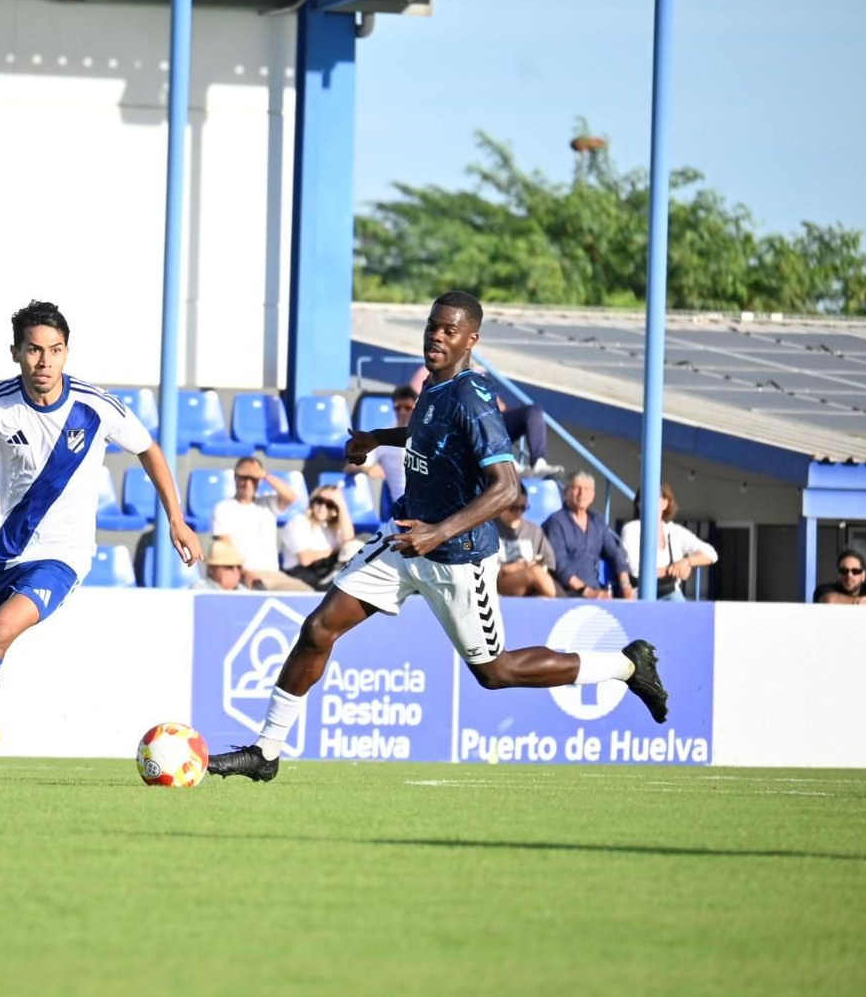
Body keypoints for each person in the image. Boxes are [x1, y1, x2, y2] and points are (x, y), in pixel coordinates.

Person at [207, 291, 667, 782]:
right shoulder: (433, 384)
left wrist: (439, 532)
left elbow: (507, 487)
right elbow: (428, 435)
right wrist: (376, 439)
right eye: (433, 326)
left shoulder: (473, 397)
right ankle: (266, 751)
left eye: (450, 330)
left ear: (472, 339)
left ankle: (625, 666)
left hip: (458, 556)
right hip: (406, 537)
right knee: (319, 629)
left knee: (496, 672)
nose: (437, 337)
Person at [0, 300, 201, 782]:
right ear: (16, 352)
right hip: (3, 553)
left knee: (1, 630)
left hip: (63, 556)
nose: (45, 361)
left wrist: (176, 521)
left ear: (66, 352)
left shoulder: (95, 405)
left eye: (55, 350)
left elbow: (150, 450)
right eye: (34, 350)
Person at [411, 363, 560, 477]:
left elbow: (494, 402)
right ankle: (507, 463)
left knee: (532, 411)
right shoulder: (429, 373)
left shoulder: (476, 372)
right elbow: (417, 408)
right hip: (454, 430)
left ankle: (538, 462)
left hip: (491, 422)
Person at [210, 456, 305, 592]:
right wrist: (242, 572)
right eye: (244, 477)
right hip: (243, 574)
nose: (248, 483)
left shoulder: (267, 503)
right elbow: (226, 547)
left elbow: (291, 496)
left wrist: (265, 475)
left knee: (306, 593)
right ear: (236, 478)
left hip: (273, 574)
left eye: (253, 478)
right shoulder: (223, 508)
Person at [619, 482, 718, 601]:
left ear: (665, 503)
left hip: (671, 593)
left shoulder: (674, 531)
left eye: (655, 497)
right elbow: (636, 571)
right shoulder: (631, 529)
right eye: (644, 498)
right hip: (639, 592)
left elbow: (711, 554)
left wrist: (687, 561)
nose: (650, 501)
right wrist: (675, 569)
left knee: (683, 609)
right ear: (638, 505)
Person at [543, 472, 633, 599]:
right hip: (566, 594)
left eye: (587, 489)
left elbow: (614, 553)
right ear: (566, 492)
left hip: (595, 590)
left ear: (593, 495)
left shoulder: (597, 520)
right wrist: (589, 592)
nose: (582, 494)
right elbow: (560, 565)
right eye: (577, 488)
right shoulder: (556, 522)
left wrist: (626, 586)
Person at [347, 384, 416, 521]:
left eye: (407, 408)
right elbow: (351, 465)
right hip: (406, 509)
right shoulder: (383, 437)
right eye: (398, 408)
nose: (402, 412)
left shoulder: (428, 433)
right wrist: (368, 469)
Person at [278, 485, 358, 591]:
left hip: (323, 570)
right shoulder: (299, 521)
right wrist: (335, 550)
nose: (322, 507)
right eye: (319, 501)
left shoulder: (331, 527)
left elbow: (349, 545)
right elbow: (305, 559)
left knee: (361, 541)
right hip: (300, 574)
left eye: (330, 504)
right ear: (312, 502)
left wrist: (342, 508)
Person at [494, 492, 556, 597]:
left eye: (523, 508)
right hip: (500, 582)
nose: (519, 512)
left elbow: (549, 562)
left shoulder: (534, 530)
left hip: (533, 582)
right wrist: (509, 568)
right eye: (514, 508)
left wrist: (534, 565)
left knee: (543, 591)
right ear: (502, 505)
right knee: (535, 572)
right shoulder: (491, 529)